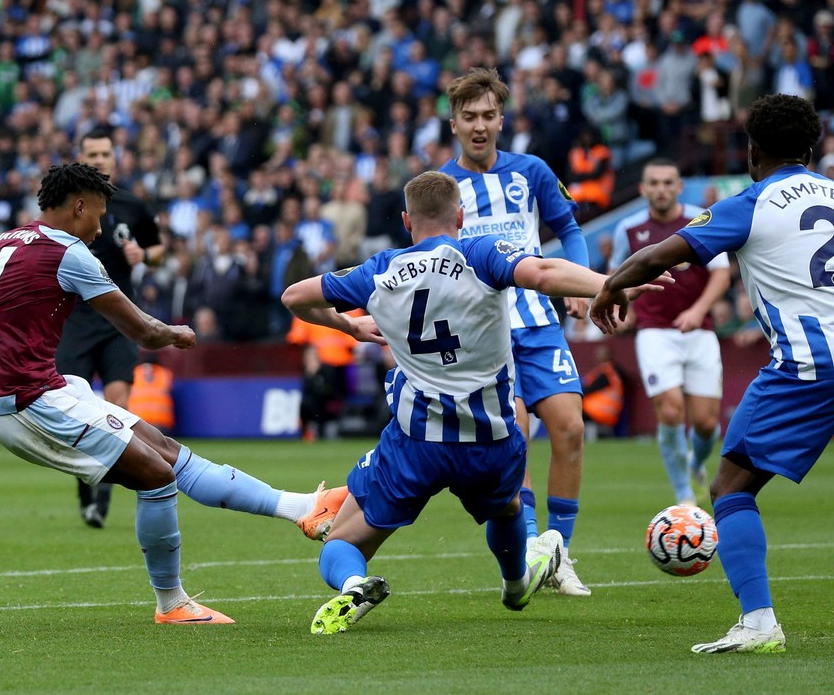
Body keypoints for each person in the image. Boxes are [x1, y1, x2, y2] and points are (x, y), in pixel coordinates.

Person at [0, 163, 348, 626]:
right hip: (28, 404)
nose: (101, 225)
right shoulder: (69, 254)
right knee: (156, 476)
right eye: (97, 212)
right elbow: (139, 329)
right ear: (77, 206)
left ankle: (301, 508)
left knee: (166, 452)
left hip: (45, 390)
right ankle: (172, 603)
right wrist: (174, 333)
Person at [282, 171, 664, 634]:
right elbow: (543, 272)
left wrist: (349, 326)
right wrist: (609, 282)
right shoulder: (480, 253)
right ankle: (515, 583)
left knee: (340, 542)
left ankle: (353, 585)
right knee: (505, 509)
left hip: (415, 439)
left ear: (406, 221)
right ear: (461, 216)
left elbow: (295, 296)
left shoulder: (378, 269)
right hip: (491, 436)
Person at [591, 93, 827, 654]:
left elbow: (658, 257)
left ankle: (759, 622)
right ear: (813, 149)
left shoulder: (751, 202)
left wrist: (609, 287)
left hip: (808, 366)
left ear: (751, 151)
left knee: (730, 488)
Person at [438, 68, 592, 596]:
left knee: (570, 428)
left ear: (502, 119)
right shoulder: (440, 187)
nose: (479, 126)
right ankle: (528, 551)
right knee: (518, 439)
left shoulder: (532, 171)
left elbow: (570, 231)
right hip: (484, 334)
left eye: (488, 116)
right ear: (453, 122)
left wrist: (580, 286)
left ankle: (559, 554)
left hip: (539, 321)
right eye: (469, 117)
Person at [609, 158, 731, 505]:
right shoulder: (629, 230)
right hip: (654, 332)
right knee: (672, 412)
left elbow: (721, 273)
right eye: (654, 183)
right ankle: (683, 496)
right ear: (643, 188)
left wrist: (698, 310)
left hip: (699, 330)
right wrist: (625, 307)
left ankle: (694, 463)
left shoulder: (700, 220)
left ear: (679, 187)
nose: (661, 189)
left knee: (707, 424)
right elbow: (615, 274)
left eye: (668, 183)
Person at [59, 128, 165, 529]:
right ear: (80, 157)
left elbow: (157, 249)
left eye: (106, 152)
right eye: (93, 153)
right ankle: (86, 487)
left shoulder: (133, 204)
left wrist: (144, 255)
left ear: (115, 157)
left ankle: (102, 491)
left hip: (119, 318)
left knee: (118, 405)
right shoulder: (67, 204)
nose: (100, 159)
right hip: (74, 320)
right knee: (76, 409)